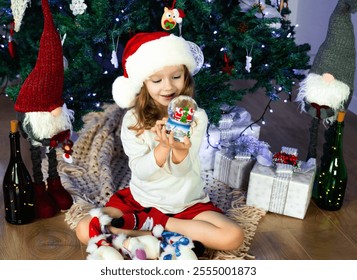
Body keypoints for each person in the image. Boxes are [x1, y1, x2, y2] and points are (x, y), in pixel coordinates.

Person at [76, 31, 244, 252]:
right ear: (143, 82)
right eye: (156, 80)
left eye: (176, 76)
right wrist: (163, 148)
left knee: (233, 237)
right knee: (83, 228)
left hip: (187, 203)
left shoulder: (196, 116)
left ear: (186, 75)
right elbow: (143, 171)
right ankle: (164, 237)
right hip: (140, 203)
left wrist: (180, 151)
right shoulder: (133, 120)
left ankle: (148, 231)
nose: (168, 87)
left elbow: (182, 170)